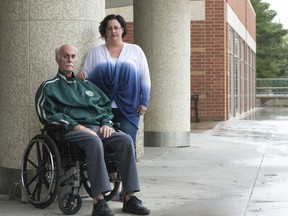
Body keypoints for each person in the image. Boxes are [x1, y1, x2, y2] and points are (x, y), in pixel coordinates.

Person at [35, 44, 150, 216]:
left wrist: (107, 123)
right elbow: (45, 113)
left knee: (125, 140)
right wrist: (76, 125)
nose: (69, 60)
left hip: (98, 128)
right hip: (71, 132)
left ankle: (129, 197)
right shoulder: (49, 86)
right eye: (65, 56)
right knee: (94, 140)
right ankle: (99, 201)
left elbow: (105, 107)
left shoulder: (86, 86)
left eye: (73, 56)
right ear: (57, 59)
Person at [77, 14, 151, 156]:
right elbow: (85, 74)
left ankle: (127, 178)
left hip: (129, 108)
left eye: (116, 27)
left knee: (128, 145)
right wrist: (82, 75)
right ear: (104, 32)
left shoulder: (135, 51)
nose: (113, 31)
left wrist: (144, 101)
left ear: (122, 29)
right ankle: (111, 178)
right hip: (102, 110)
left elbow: (145, 78)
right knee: (106, 147)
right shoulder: (95, 52)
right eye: (109, 28)